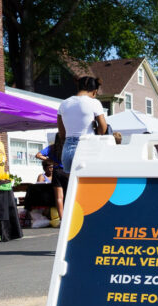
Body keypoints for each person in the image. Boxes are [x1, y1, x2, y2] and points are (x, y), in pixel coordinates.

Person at [54, 76, 108, 221]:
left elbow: (62, 133)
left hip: (68, 149)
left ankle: (74, 220)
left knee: (73, 189)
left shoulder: (64, 104)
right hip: (87, 146)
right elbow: (103, 128)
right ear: (94, 91)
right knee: (90, 189)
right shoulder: (94, 103)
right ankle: (92, 220)